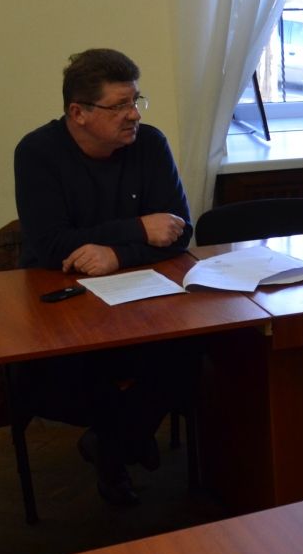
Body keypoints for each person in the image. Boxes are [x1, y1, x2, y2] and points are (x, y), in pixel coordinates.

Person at [13, 48, 194, 505]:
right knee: (75, 375)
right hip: (62, 298)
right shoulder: (37, 153)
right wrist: (137, 230)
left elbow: (178, 232)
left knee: (190, 353)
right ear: (78, 113)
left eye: (136, 100)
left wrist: (114, 253)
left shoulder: (149, 144)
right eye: (119, 106)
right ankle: (125, 443)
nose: (134, 114)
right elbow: (52, 245)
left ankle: (111, 446)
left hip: (139, 294)